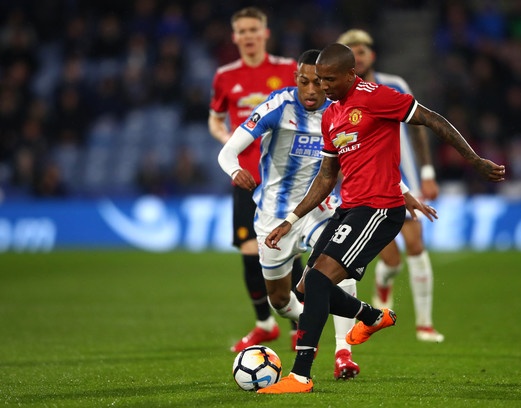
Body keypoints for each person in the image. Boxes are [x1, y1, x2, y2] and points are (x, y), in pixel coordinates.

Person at [257, 43, 505, 394]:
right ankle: (371, 316)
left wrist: (475, 160)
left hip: (379, 209)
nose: (323, 86)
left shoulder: (376, 97)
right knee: (305, 288)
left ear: (350, 74)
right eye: (319, 79)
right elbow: (326, 177)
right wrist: (291, 219)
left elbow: (433, 119)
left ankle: (300, 376)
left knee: (318, 283)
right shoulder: (331, 115)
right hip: (348, 209)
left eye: (329, 79)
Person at [218, 49, 359, 380]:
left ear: (327, 82)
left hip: (317, 208)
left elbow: (366, 156)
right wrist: (235, 170)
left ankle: (343, 353)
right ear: (295, 78)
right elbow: (227, 152)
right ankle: (307, 319)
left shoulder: (341, 110)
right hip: (274, 216)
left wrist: (402, 189)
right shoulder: (277, 106)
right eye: (303, 81)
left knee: (340, 266)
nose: (310, 90)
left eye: (318, 83)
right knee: (280, 302)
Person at [337, 29, 444, 343]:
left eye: (362, 50)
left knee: (416, 245)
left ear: (372, 55)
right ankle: (384, 286)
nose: (358, 57)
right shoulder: (341, 98)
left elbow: (418, 128)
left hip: (404, 177)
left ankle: (424, 324)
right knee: (391, 261)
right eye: (352, 52)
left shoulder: (394, 85)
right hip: (370, 186)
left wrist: (427, 172)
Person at [208, 7, 299, 352]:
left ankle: (298, 325)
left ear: (265, 33)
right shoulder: (225, 76)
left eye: (253, 29)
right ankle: (265, 324)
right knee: (249, 250)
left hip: (284, 178)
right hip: (246, 178)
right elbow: (215, 119)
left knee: (290, 250)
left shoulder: (288, 69)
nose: (248, 36)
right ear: (234, 37)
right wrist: (229, 142)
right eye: (242, 31)